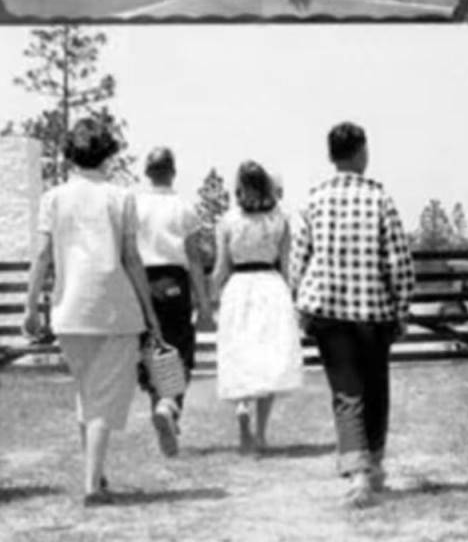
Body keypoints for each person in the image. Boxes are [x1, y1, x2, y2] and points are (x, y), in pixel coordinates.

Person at [23, 118, 164, 506]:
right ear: (107, 155)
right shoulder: (121, 198)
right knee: (103, 398)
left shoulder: (53, 198)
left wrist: (30, 303)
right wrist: (149, 311)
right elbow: (132, 259)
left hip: (69, 308)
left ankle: (96, 473)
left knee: (87, 394)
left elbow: (42, 255)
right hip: (114, 307)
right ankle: (91, 484)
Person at [290, 122, 415, 508]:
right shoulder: (380, 199)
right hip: (372, 313)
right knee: (376, 387)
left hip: (327, 310)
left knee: (346, 393)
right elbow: (398, 261)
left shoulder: (313, 199)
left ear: (331, 156)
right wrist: (402, 307)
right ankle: (374, 464)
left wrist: (300, 301)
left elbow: (298, 260)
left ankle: (357, 474)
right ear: (362, 152)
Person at [212, 161, 304, 455]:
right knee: (269, 357)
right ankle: (261, 434)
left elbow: (220, 268)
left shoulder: (227, 221)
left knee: (241, 352)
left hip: (239, 287)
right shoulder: (280, 220)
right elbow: (290, 265)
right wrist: (295, 298)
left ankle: (242, 405)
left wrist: (209, 300)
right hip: (270, 285)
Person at [134, 147, 211, 457]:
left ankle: (160, 407)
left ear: (147, 172)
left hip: (143, 281)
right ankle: (170, 405)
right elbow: (193, 257)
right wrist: (204, 302)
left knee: (150, 350)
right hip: (174, 281)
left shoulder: (134, 205)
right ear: (173, 172)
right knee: (178, 349)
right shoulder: (184, 208)